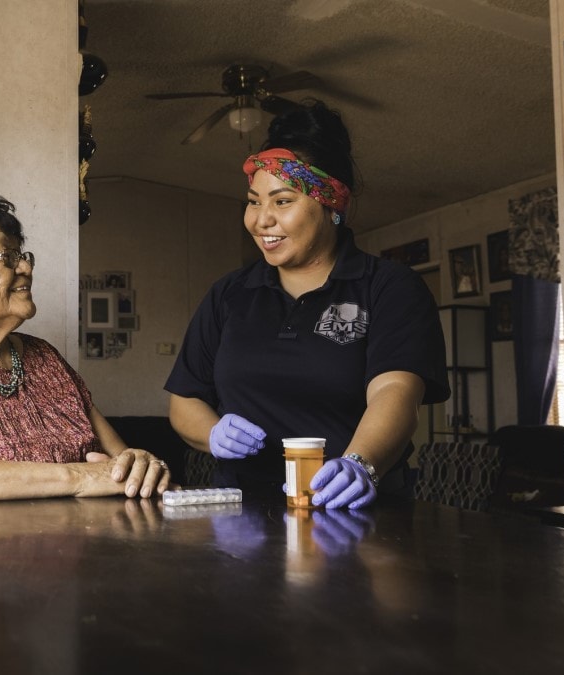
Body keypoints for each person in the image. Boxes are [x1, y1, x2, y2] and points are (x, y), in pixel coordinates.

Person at [165, 101, 450, 509]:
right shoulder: (228, 294)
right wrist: (211, 432)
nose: (261, 220)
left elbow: (396, 391)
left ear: (331, 204)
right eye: (253, 201)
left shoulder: (389, 287)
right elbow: (185, 399)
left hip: (350, 511)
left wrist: (360, 463)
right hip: (241, 516)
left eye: (281, 202)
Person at [0, 192, 171, 501]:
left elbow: (121, 460)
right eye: (7, 256)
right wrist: (76, 476)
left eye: (22, 255)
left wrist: (142, 465)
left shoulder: (46, 358)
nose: (25, 267)